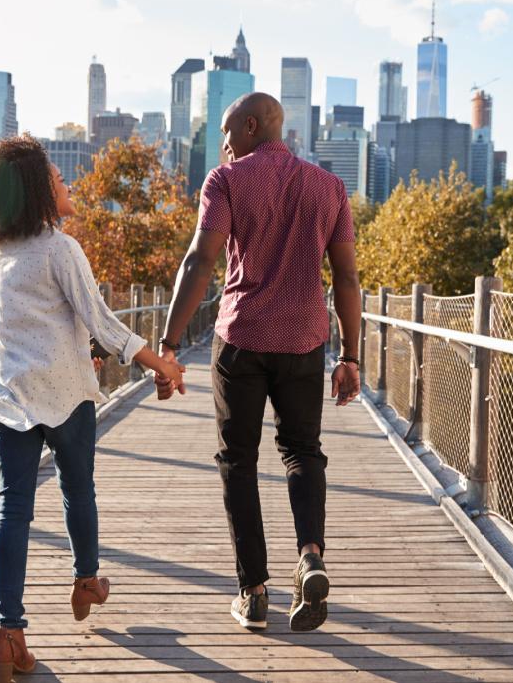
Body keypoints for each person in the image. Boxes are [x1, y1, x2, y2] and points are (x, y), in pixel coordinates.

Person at [0, 135, 186, 682]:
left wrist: (83, 345)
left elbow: (39, 321)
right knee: (77, 489)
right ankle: (86, 580)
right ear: (40, 191)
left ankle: (9, 632)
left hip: (10, 395)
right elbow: (101, 320)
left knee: (13, 509)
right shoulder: (61, 248)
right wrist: (160, 363)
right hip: (64, 396)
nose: (70, 185)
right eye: (60, 180)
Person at [155, 92, 362, 632]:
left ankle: (253, 591)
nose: (222, 145)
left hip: (242, 339)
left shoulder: (225, 182)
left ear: (252, 126)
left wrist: (169, 344)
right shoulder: (330, 186)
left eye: (226, 133)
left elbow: (202, 259)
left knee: (237, 460)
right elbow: (346, 277)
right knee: (302, 452)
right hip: (304, 341)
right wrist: (351, 355)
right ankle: (311, 555)